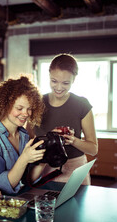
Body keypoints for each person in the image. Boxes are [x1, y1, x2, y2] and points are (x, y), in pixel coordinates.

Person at [0, 76, 46, 195]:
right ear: (4, 105)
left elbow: (26, 180)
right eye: (19, 108)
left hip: (13, 202)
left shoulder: (23, 135)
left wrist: (43, 160)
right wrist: (24, 159)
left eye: (30, 109)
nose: (26, 114)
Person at [30, 53, 98, 185]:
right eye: (54, 81)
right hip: (46, 170)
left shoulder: (82, 104)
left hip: (76, 171)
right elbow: (28, 140)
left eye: (65, 83)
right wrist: (50, 140)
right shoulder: (37, 103)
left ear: (74, 79)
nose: (59, 88)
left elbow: (93, 149)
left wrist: (73, 140)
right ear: (49, 75)